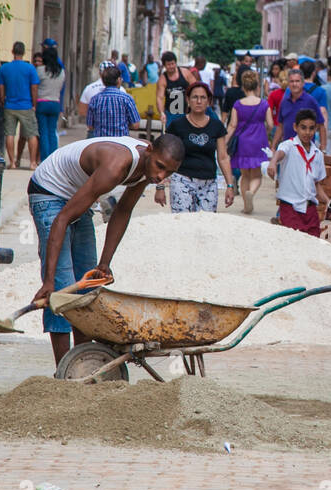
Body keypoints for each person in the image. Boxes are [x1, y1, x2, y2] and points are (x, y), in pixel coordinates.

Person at [30, 133, 185, 364]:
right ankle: (64, 374)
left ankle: (83, 364)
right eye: (160, 167)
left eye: (169, 173)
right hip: (49, 190)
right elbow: (62, 219)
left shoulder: (148, 169)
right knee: (62, 292)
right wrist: (49, 281)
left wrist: (105, 263)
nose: (161, 176)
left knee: (88, 289)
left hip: (77, 193)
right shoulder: (117, 165)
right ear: (149, 150)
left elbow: (122, 211)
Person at [158, 83, 234, 213]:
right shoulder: (177, 125)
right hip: (182, 181)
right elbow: (165, 156)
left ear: (209, 101)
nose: (199, 101)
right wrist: (160, 187)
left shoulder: (217, 126)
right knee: (182, 223)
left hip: (209, 183)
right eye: (195, 97)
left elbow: (223, 158)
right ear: (188, 100)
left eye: (203, 98)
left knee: (206, 225)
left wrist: (230, 185)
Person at [268, 109, 331, 236]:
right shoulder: (288, 145)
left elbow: (316, 184)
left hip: (310, 210)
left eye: (311, 128)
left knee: (313, 242)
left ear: (316, 129)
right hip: (290, 207)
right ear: (295, 127)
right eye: (303, 128)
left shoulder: (318, 154)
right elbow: (280, 154)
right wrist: (273, 162)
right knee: (294, 242)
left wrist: (327, 201)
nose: (307, 132)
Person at [225, 69, 270, 214]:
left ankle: (246, 204)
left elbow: (232, 125)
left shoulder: (238, 104)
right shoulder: (264, 104)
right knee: (257, 175)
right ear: (257, 86)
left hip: (242, 142)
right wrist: (265, 133)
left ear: (243, 87)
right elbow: (270, 124)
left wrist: (224, 142)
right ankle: (252, 191)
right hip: (259, 141)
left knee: (245, 175)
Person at [0, 41, 40, 170]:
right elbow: (34, 87)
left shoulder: (5, 68)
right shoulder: (30, 68)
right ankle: (32, 163)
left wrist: (3, 99)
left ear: (12, 51)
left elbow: (1, 86)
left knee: (10, 134)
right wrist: (34, 103)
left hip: (10, 105)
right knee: (32, 134)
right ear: (24, 52)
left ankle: (12, 162)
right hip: (26, 105)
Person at [270, 67, 323, 148]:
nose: (294, 84)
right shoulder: (284, 102)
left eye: (297, 81)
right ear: (288, 83)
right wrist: (273, 147)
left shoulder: (310, 101)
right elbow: (280, 126)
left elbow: (321, 125)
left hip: (306, 149)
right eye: (291, 81)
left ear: (303, 83)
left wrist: (323, 148)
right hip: (287, 149)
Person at [85, 63, 139, 139]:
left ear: (103, 82)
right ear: (118, 80)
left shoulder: (94, 100)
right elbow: (136, 125)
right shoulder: (127, 98)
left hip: (99, 144)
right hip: (121, 145)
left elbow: (90, 126)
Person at [34, 43, 66, 161]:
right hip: (55, 103)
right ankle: (53, 159)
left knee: (43, 133)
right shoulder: (61, 72)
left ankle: (45, 159)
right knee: (52, 132)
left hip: (42, 103)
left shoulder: (40, 70)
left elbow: (35, 86)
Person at [299, 59, 329, 148]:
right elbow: (323, 112)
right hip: (311, 132)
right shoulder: (320, 91)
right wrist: (323, 139)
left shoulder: (292, 90)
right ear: (314, 73)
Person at [157, 51, 190, 125]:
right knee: (170, 135)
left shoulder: (185, 73)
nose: (171, 66)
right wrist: (161, 113)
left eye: (173, 64)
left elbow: (196, 87)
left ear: (176, 63)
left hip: (186, 112)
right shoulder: (162, 79)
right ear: (164, 65)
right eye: (168, 64)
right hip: (170, 113)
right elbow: (160, 98)